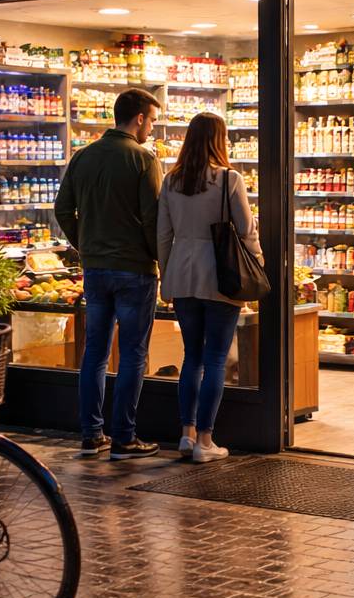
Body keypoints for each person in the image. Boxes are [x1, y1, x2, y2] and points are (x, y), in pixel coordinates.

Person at [54, 87, 163, 460]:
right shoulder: (143, 160)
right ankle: (124, 438)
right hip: (135, 270)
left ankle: (91, 435)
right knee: (133, 354)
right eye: (152, 121)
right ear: (139, 119)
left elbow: (62, 209)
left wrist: (85, 245)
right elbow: (152, 219)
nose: (152, 128)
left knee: (95, 353)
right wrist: (159, 258)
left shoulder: (82, 157)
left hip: (95, 270)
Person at [157, 113, 260, 464]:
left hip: (182, 274)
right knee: (216, 358)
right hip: (220, 275)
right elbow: (246, 231)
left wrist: (166, 276)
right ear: (219, 139)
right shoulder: (229, 179)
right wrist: (257, 266)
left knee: (192, 357)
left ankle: (186, 435)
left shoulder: (172, 181)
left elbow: (163, 234)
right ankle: (205, 439)